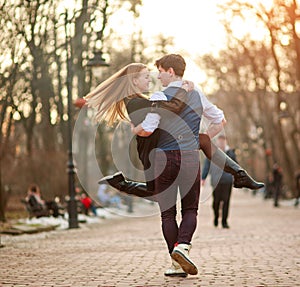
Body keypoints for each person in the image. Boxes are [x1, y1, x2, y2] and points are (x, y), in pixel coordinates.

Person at [85, 63, 263, 202]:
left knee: (201, 140)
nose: (150, 80)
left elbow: (162, 112)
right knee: (155, 193)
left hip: (158, 143)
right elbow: (172, 108)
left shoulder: (139, 100)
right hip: (151, 149)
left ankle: (240, 175)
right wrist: (183, 91)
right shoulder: (136, 102)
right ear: (134, 81)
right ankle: (120, 183)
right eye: (146, 77)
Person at [202, 135, 236, 228]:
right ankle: (216, 216)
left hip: (227, 180)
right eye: (219, 141)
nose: (221, 143)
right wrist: (203, 178)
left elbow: (235, 166)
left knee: (226, 201)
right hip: (216, 180)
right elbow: (206, 165)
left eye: (223, 141)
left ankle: (224, 221)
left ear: (225, 142)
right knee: (216, 201)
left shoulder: (231, 153)